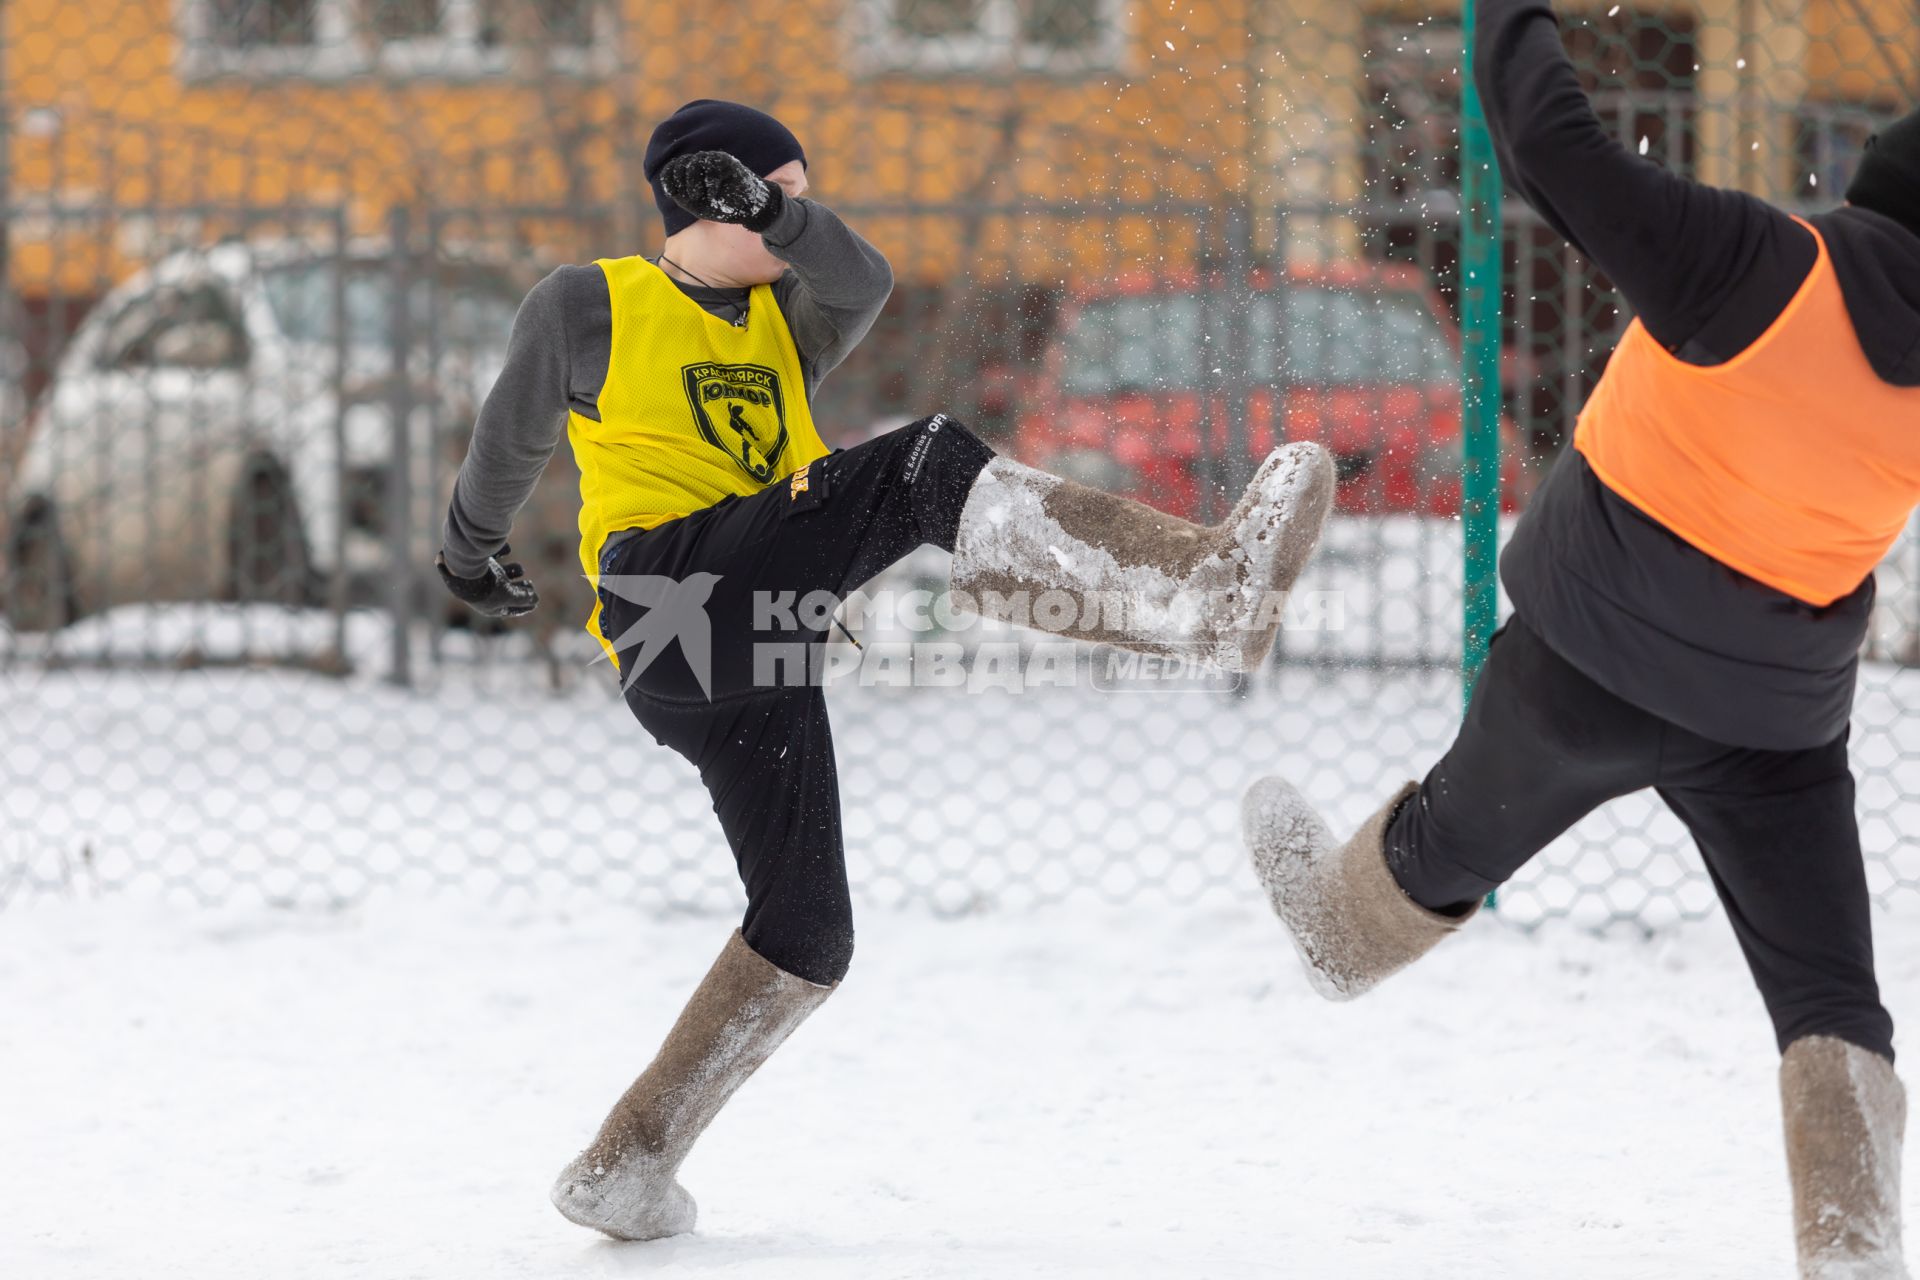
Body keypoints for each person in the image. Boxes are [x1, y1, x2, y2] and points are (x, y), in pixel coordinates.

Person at [436, 99, 1338, 1241]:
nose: (801, 212)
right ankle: (1202, 593)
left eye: (799, 193)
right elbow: (510, 437)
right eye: (778, 189)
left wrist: (775, 215)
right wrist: (467, 546)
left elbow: (863, 278)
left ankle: (628, 1158)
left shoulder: (787, 317)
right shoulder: (591, 302)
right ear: (696, 198)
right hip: (669, 599)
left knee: (807, 930)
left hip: (761, 637)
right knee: (920, 463)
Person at [1238, 5, 1920, 1276]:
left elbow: (1553, 144)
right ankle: (1853, 1252)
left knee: (1449, 840)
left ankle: (1338, 933)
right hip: (1775, 723)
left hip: (1583, 668)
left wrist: (1511, 18)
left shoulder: (1767, 264)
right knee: (1830, 998)